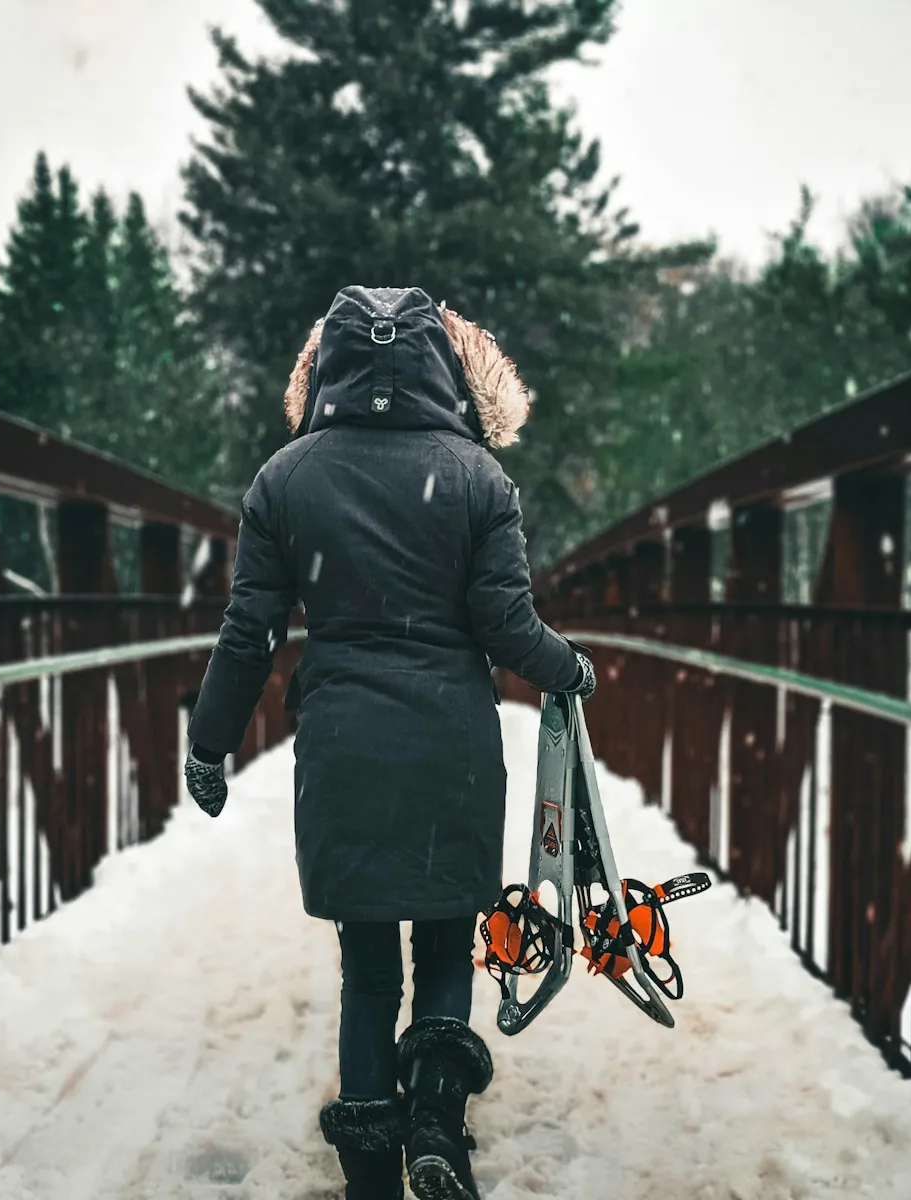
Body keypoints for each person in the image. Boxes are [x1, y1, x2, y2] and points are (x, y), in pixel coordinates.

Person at [183, 285, 596, 1200]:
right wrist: (567, 668)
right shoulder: (478, 476)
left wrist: (208, 742)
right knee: (447, 946)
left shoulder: (285, 479)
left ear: (326, 365)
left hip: (342, 747)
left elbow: (248, 630)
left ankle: (369, 1174)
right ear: (443, 367)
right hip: (451, 742)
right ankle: (439, 1129)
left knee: (367, 969)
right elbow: (505, 623)